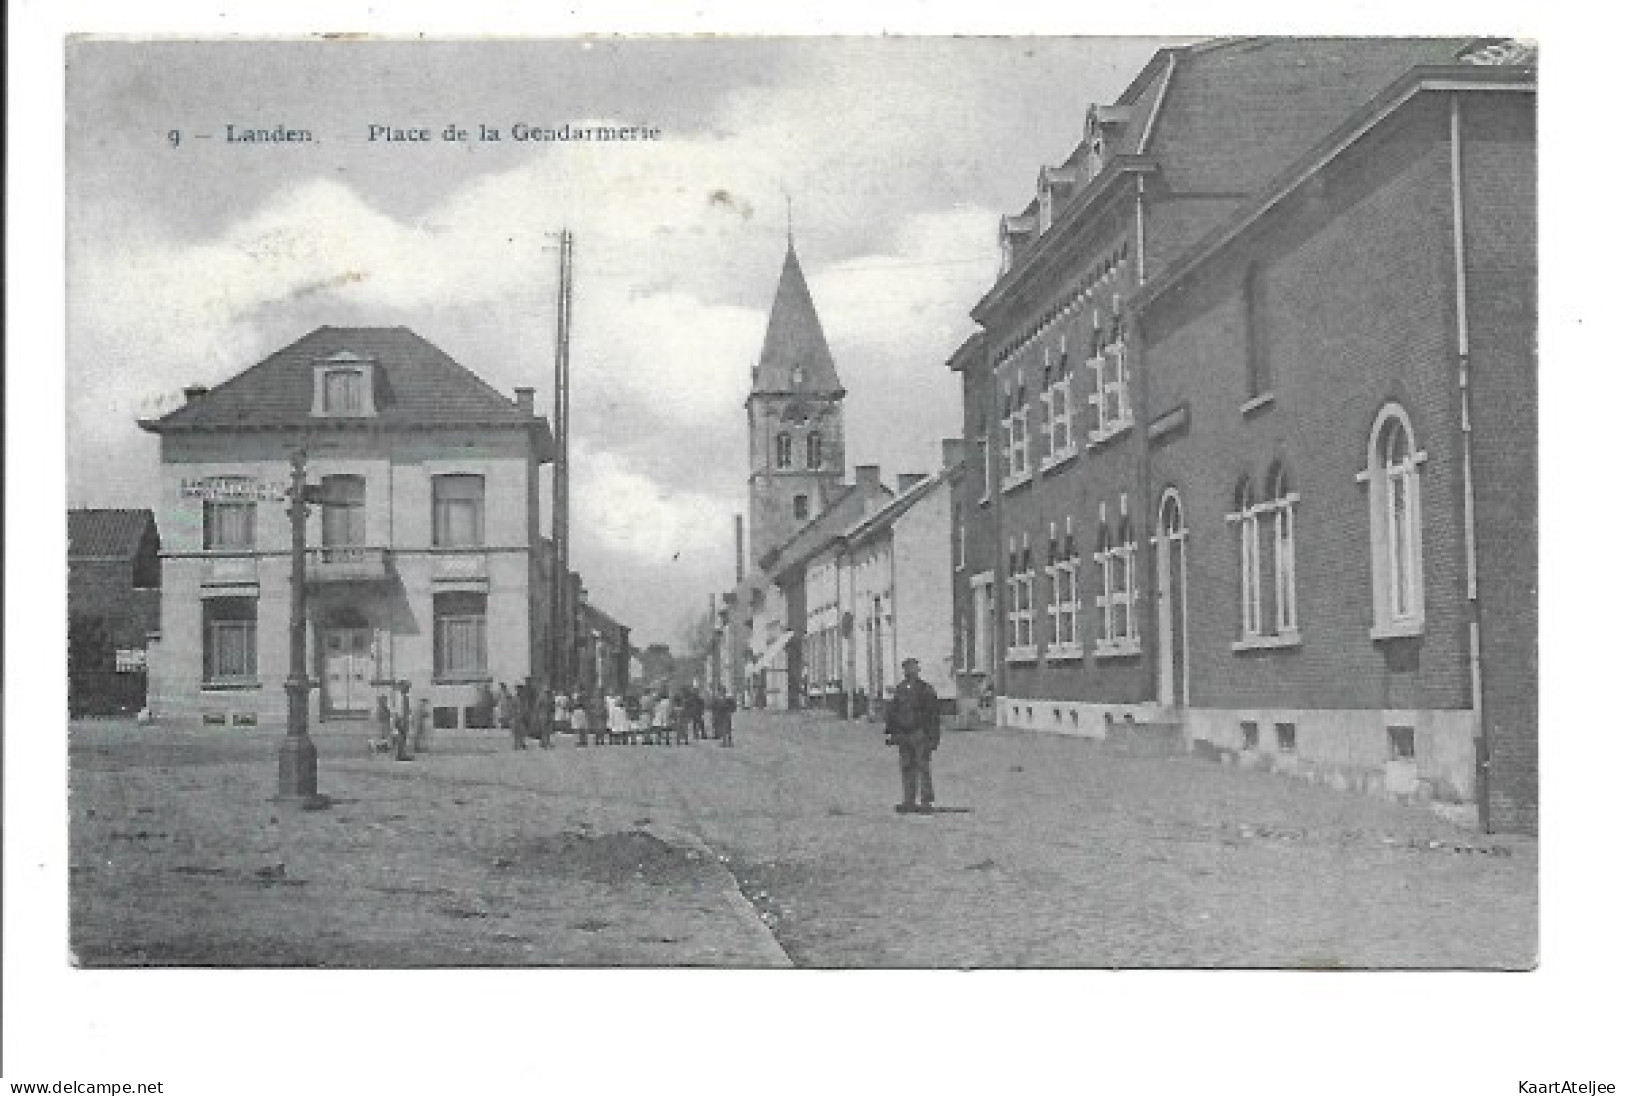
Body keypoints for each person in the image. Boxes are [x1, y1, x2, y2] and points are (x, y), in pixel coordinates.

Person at [885, 657, 941, 813]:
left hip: (920, 733)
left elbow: (933, 714)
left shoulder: (925, 689)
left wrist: (934, 736)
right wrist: (891, 732)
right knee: (906, 767)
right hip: (903, 734)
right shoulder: (900, 690)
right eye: (907, 669)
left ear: (918, 671)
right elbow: (892, 713)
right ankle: (908, 800)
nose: (910, 672)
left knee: (923, 766)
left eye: (913, 669)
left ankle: (926, 801)